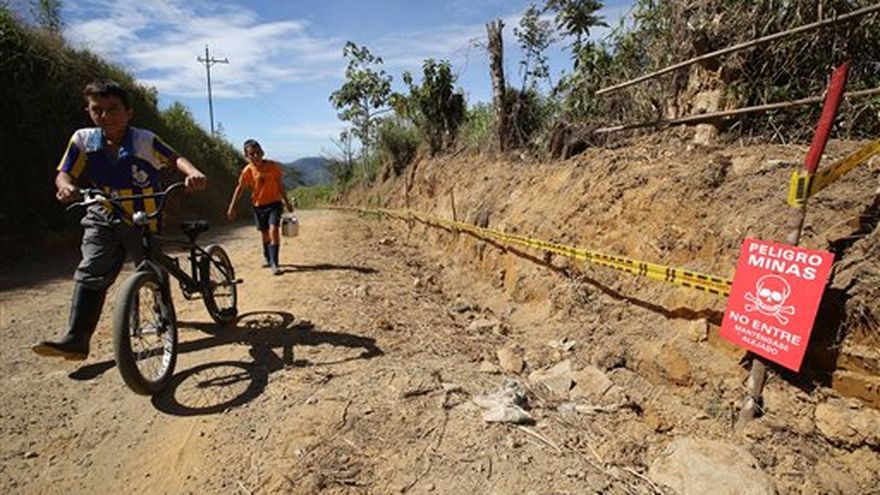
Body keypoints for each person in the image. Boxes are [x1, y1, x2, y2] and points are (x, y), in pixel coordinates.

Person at [31, 80, 207, 361]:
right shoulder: (83, 140)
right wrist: (65, 187)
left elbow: (175, 159)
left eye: (113, 109)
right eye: (97, 110)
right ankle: (77, 338)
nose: (106, 116)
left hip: (144, 217)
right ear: (88, 112)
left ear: (129, 113)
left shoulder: (144, 140)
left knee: (151, 268)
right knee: (92, 269)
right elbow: (64, 173)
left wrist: (193, 173)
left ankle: (165, 321)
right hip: (103, 213)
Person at [226, 139, 293, 275]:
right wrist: (232, 206)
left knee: (273, 230)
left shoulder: (273, 167)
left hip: (274, 204)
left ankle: (275, 263)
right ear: (247, 156)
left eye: (258, 152)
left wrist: (287, 202)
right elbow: (240, 188)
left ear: (262, 152)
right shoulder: (248, 170)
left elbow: (280, 185)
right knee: (265, 233)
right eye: (252, 154)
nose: (256, 156)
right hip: (259, 206)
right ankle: (268, 257)